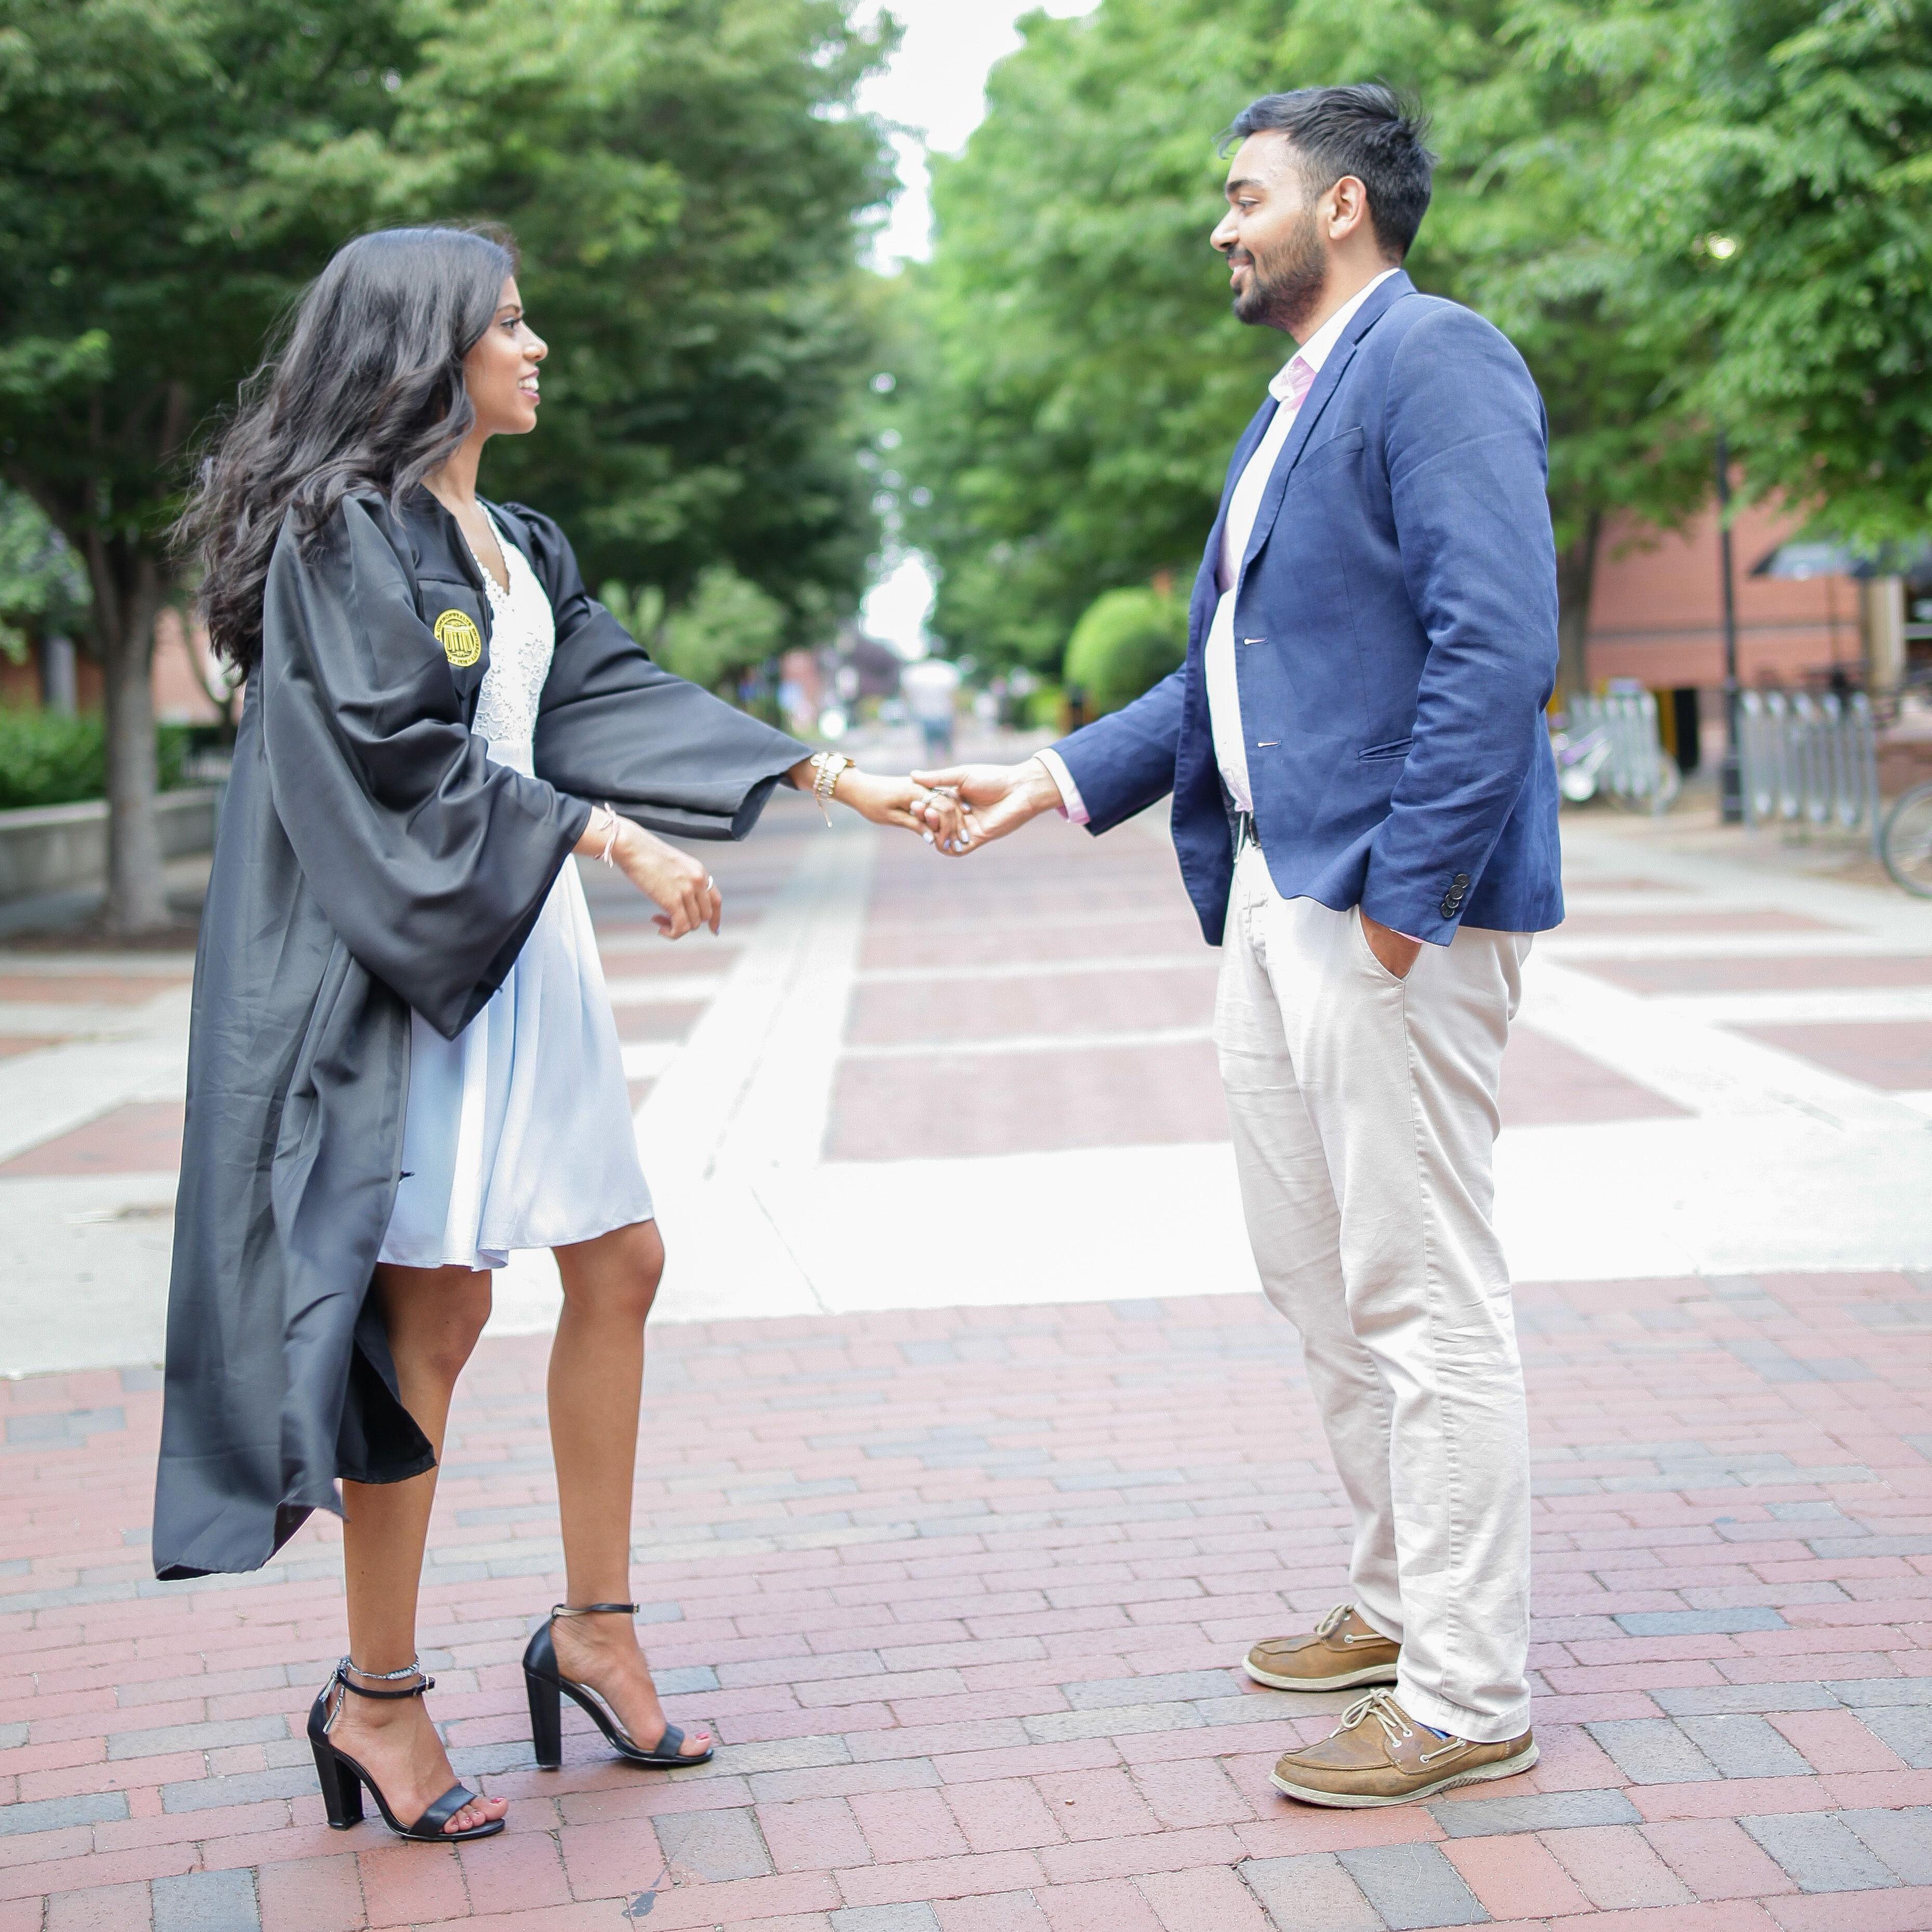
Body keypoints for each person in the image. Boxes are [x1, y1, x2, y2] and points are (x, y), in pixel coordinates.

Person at [161, 225, 961, 1843]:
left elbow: (603, 694)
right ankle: (376, 1698)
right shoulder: (343, 536)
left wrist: (829, 778)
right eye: (512, 326)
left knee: (623, 1261)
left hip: (520, 951)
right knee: (432, 1325)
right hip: (407, 962)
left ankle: (597, 1625)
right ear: (426, 350)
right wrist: (608, 842)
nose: (541, 351)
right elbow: (390, 761)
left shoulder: (514, 538)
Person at [916, 85, 1563, 1807]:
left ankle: (1470, 1690)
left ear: (1341, 205)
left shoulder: (1436, 362)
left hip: (1376, 909)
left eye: (1244, 193)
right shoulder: (1291, 405)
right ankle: (1398, 1598)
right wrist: (1049, 778)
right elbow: (1224, 673)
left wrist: (1406, 905)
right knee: (1318, 1272)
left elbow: (1496, 645)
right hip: (1278, 903)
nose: (1222, 224)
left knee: (1426, 1293)